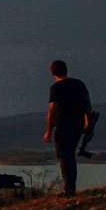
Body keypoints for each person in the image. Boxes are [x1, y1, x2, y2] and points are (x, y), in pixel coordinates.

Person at [43, 60, 92, 196]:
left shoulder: (56, 87)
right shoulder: (79, 84)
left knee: (64, 157)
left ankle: (69, 189)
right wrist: (88, 125)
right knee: (69, 155)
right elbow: (87, 105)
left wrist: (48, 131)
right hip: (77, 126)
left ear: (52, 72)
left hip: (62, 126)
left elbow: (52, 110)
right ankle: (70, 187)